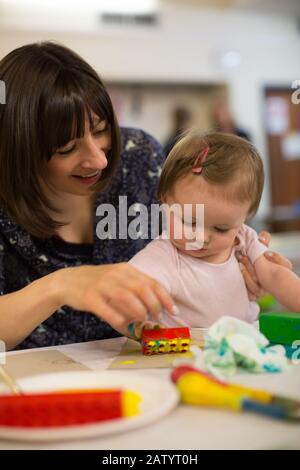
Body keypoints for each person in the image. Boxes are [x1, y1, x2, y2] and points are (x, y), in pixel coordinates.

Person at [0, 43, 289, 350]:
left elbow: (195, 241)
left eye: (100, 130)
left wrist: (232, 264)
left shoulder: (138, 156)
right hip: (35, 381)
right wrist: (59, 286)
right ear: (21, 151)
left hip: (151, 366)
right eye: (67, 149)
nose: (98, 160)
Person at [129, 131, 299, 328]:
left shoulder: (244, 239)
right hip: (186, 350)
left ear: (247, 215)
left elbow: (275, 275)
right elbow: (129, 291)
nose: (201, 237)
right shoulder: (164, 254)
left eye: (221, 228)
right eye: (190, 222)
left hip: (245, 342)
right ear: (165, 200)